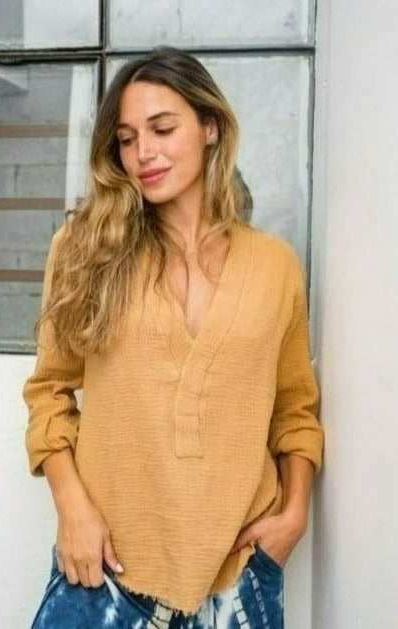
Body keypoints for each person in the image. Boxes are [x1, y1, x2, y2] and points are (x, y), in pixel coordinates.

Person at [23, 47, 324, 629]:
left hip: (237, 587)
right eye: (127, 139)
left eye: (162, 129)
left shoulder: (276, 267)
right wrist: (72, 509)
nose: (143, 153)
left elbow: (295, 411)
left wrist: (294, 515)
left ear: (210, 127)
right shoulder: (87, 250)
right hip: (104, 574)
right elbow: (48, 392)